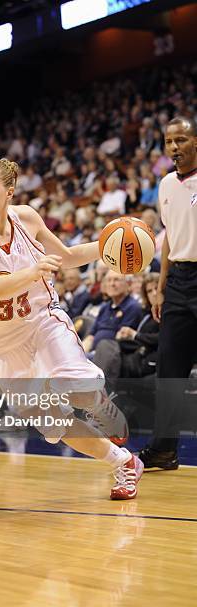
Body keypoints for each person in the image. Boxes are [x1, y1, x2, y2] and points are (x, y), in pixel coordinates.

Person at [0, 157, 144, 501]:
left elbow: (66, 257)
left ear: (9, 192)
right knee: (55, 425)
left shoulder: (26, 218)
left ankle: (99, 403)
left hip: (42, 322)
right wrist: (34, 271)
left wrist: (110, 247)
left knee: (78, 388)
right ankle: (124, 462)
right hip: (1, 347)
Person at [139, 116, 197, 470]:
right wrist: (160, 289)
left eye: (181, 140)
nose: (174, 147)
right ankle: (164, 449)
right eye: (168, 141)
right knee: (169, 369)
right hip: (178, 281)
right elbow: (170, 239)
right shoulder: (165, 185)